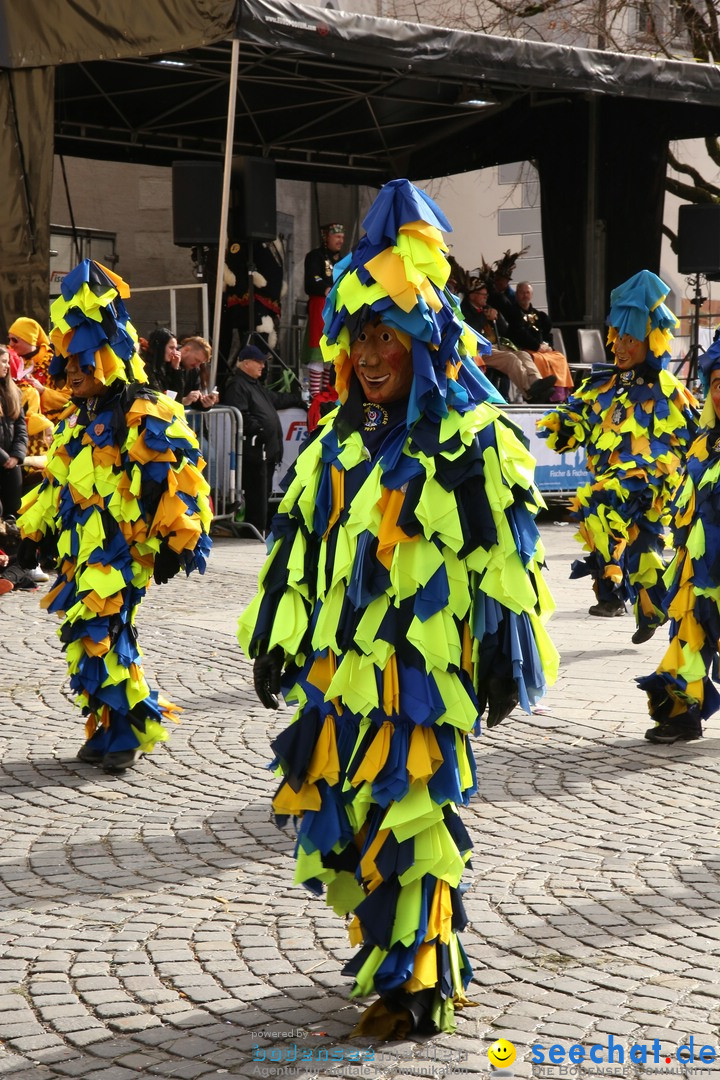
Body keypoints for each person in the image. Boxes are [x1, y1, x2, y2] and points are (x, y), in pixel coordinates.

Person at [237, 180, 558, 1038]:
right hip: (338, 670)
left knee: (413, 818)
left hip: (421, 675)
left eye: (388, 335)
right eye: (359, 337)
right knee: (346, 812)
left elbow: (504, 559)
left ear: (424, 340)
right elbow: (297, 548)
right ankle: (390, 959)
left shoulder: (472, 439)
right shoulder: (335, 441)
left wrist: (504, 649)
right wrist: (275, 634)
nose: (372, 354)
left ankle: (417, 985)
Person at [17, 259, 213, 774]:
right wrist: (33, 536)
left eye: (84, 367)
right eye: (69, 369)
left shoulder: (142, 410)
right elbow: (59, 479)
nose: (74, 378)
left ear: (107, 359)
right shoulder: (77, 419)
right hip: (81, 550)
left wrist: (179, 541)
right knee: (94, 634)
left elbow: (181, 479)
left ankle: (126, 728)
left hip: (124, 550)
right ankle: (110, 724)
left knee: (100, 627)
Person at [538, 270, 698, 642]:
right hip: (613, 478)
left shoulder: (666, 388)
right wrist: (563, 426)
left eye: (630, 340)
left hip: (651, 479)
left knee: (602, 504)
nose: (620, 348)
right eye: (617, 338)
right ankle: (650, 610)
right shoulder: (602, 385)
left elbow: (689, 436)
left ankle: (614, 581)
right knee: (641, 544)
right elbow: (578, 418)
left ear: (650, 341)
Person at [638, 332, 720, 743]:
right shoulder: (704, 444)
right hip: (698, 567)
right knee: (689, 635)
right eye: (718, 386)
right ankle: (683, 714)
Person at [222, 344, 304, 533]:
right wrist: (258, 430)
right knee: (256, 494)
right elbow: (240, 413)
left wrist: (298, 400)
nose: (262, 365)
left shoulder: (254, 385)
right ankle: (254, 532)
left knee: (262, 493)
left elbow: (274, 399)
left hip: (266, 450)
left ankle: (258, 530)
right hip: (254, 450)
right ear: (246, 363)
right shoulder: (238, 385)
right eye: (258, 361)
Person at [461, 278, 556, 403]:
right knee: (511, 359)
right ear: (472, 296)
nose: (485, 297)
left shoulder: (487, 307)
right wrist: (483, 317)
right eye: (482, 295)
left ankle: (536, 382)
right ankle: (530, 393)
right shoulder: (464, 309)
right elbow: (470, 330)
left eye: (486, 295)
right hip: (479, 350)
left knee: (523, 354)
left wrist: (498, 317)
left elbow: (506, 331)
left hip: (495, 346)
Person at [507, 281, 573, 402]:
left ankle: (558, 395)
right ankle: (542, 392)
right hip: (525, 348)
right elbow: (519, 334)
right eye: (522, 292)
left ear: (531, 295)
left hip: (541, 348)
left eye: (527, 292)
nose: (525, 295)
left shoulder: (540, 315)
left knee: (559, 357)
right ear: (516, 294)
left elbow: (547, 333)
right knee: (540, 359)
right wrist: (537, 346)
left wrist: (547, 345)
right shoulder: (512, 313)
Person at [303, 222, 345, 397]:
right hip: (320, 305)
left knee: (330, 353)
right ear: (326, 237)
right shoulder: (315, 256)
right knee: (318, 351)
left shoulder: (342, 260)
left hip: (335, 308)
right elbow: (313, 280)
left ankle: (325, 391)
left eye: (342, 237)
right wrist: (327, 289)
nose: (340, 240)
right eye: (337, 236)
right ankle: (314, 394)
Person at [7, 317, 70, 423]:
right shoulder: (10, 361)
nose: (11, 344)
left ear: (29, 340)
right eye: (9, 339)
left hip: (51, 428)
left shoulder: (52, 362)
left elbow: (69, 400)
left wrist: (42, 390)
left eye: (15, 340)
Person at [0, 344, 28, 518]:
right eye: (3, 362)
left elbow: (21, 428)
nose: (7, 366)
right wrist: (3, 457)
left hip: (11, 462)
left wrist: (17, 455)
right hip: (3, 458)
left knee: (15, 509)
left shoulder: (14, 392)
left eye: (7, 362)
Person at [142, 328, 184, 399]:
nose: (174, 353)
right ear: (160, 347)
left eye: (175, 348)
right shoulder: (145, 367)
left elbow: (177, 398)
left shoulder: (165, 368)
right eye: (171, 348)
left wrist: (176, 369)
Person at [179, 336, 219, 410]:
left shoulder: (194, 369)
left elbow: (195, 400)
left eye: (201, 363)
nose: (197, 365)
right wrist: (184, 400)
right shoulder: (167, 359)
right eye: (197, 360)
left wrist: (206, 403)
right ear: (186, 349)